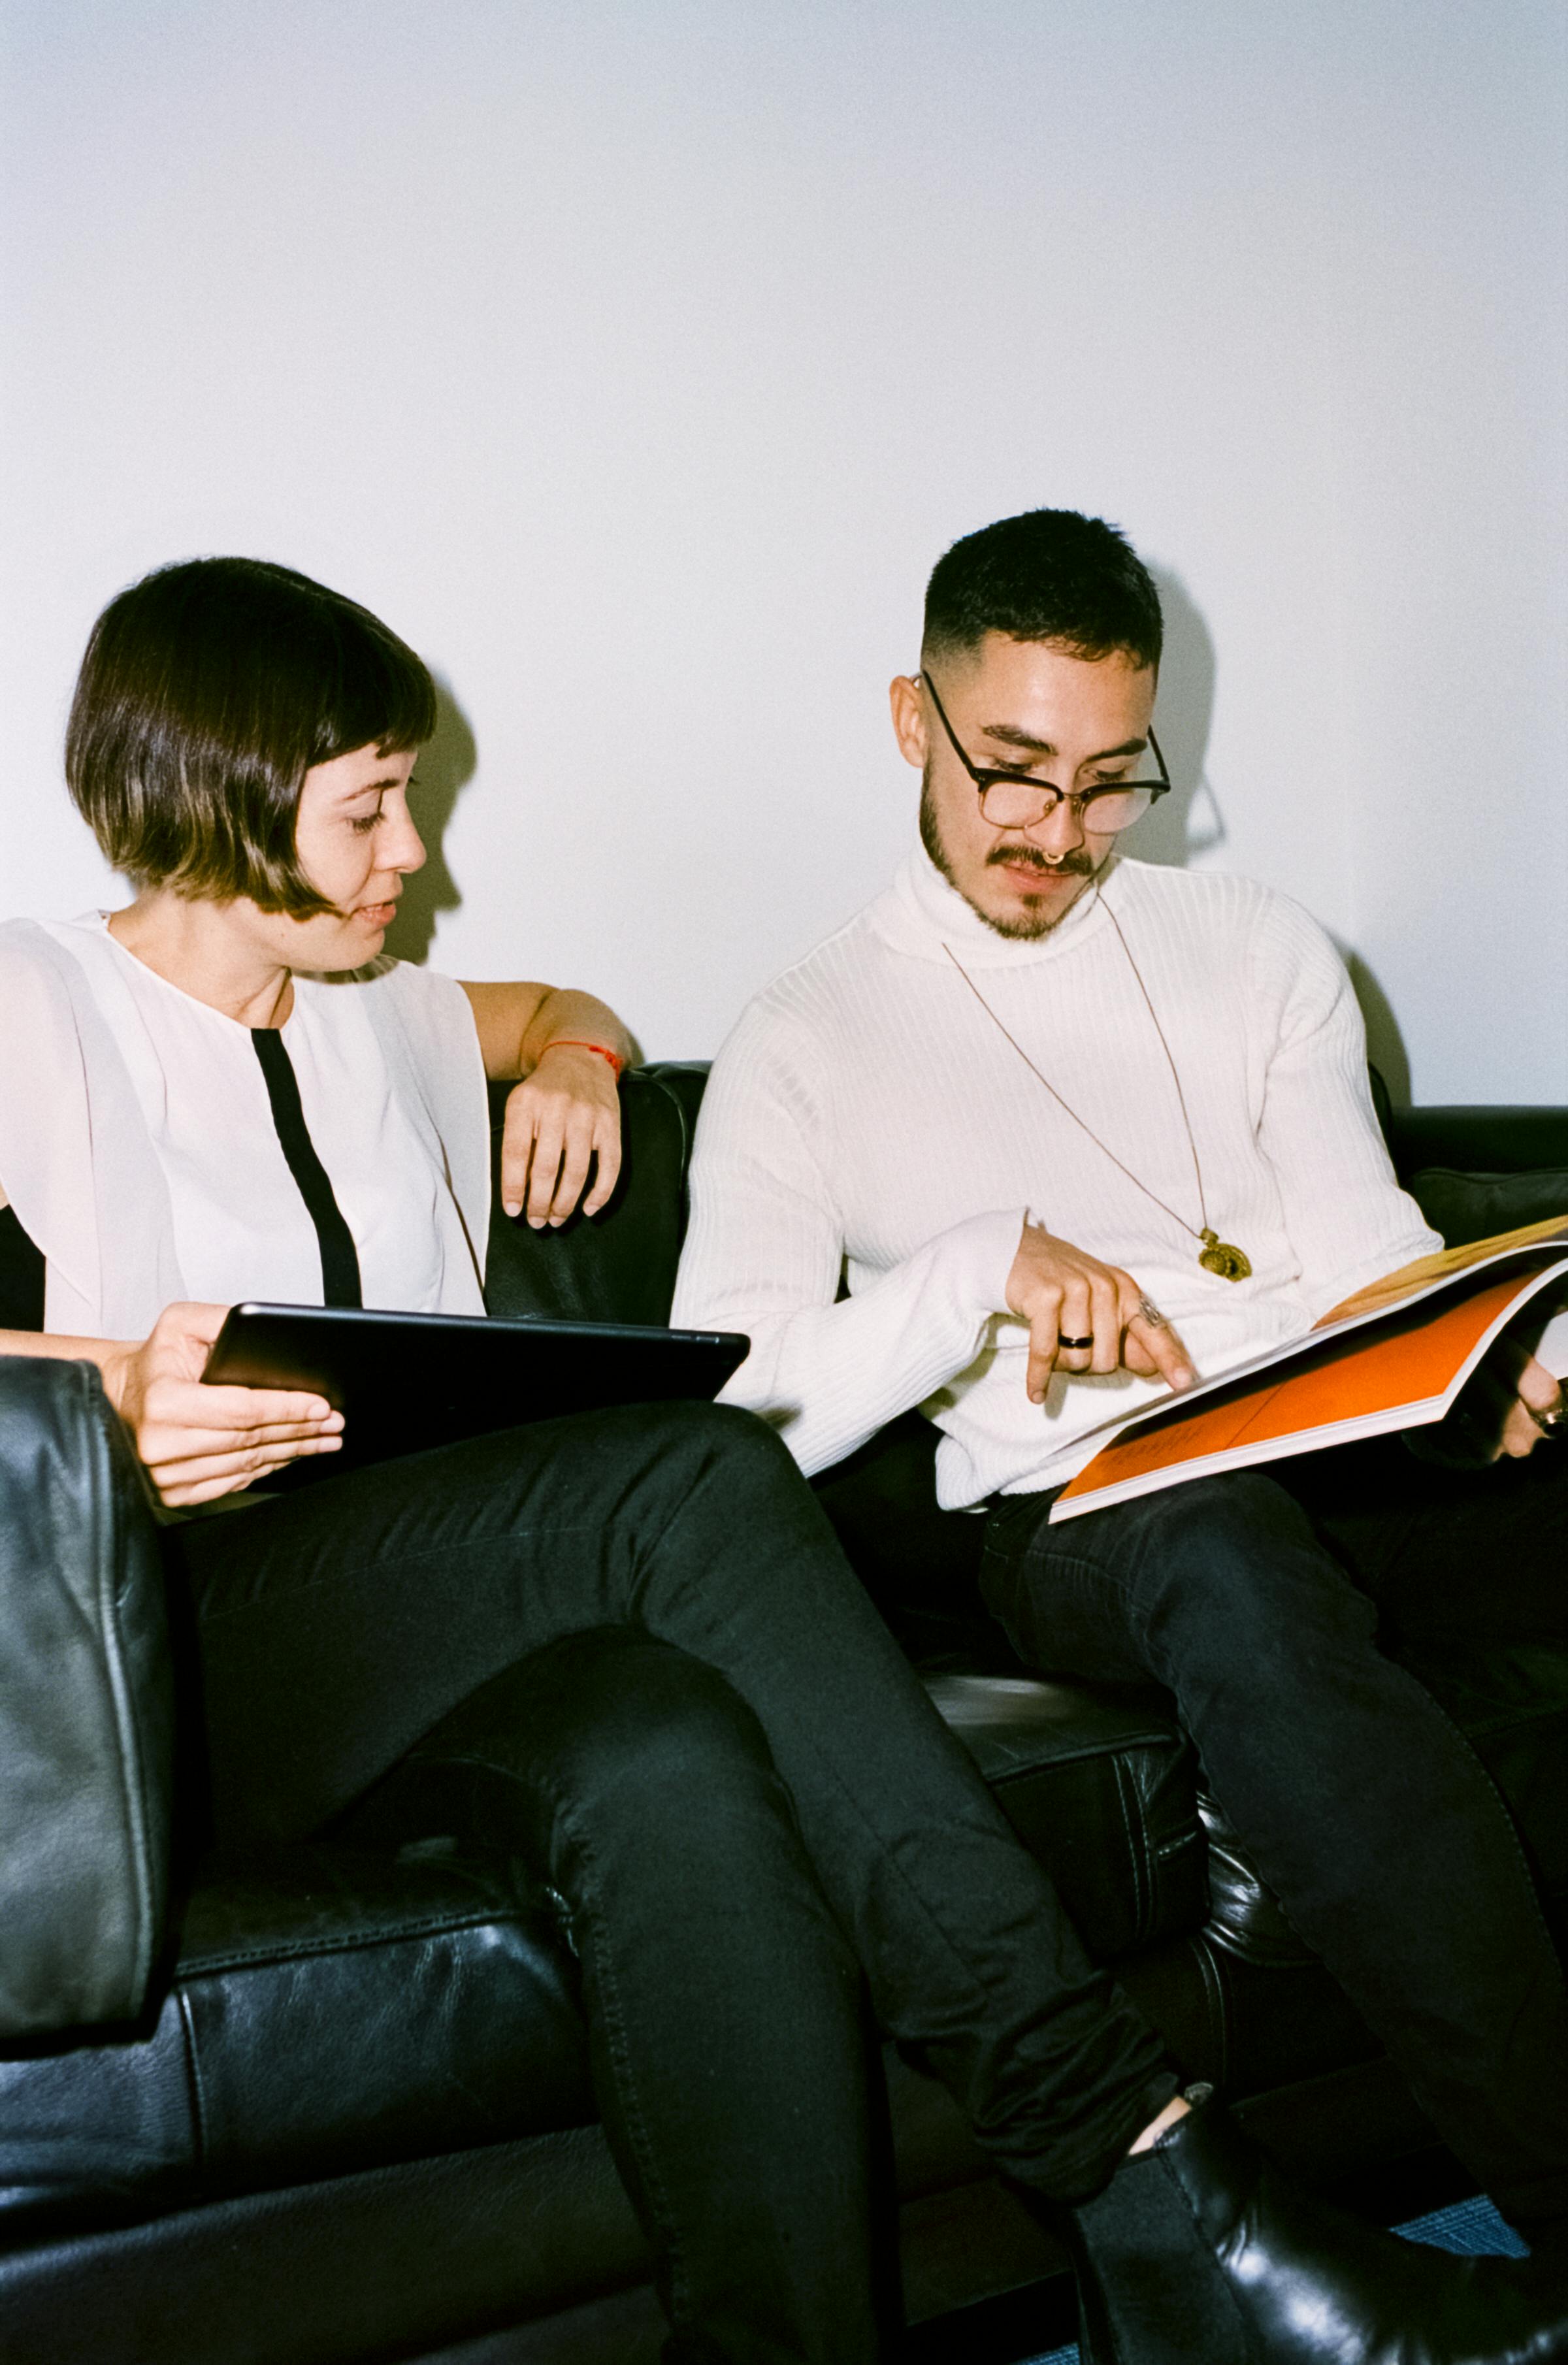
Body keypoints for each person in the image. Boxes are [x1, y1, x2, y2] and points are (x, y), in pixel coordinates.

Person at [0, 556, 1558, 2365]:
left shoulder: (394, 1013)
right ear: (211, 800)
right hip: (174, 1640)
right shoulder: (37, 1007)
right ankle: (1140, 2169)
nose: (414, 847)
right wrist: (98, 1388)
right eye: (369, 806)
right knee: (688, 1470)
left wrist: (579, 1054)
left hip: (398, 1637)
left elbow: (542, 1007)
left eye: (408, 796)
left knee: (665, 1753)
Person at [672, 504, 1568, 2285]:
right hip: (1081, 1512)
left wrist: (1505, 1359)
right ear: (912, 719)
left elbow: (1369, 1257)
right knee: (1220, 1549)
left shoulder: (1258, 949)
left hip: (1341, 1453)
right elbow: (728, 1406)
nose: (1060, 836)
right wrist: (970, 1273)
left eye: (1109, 782)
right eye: (1012, 772)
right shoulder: (804, 1034)